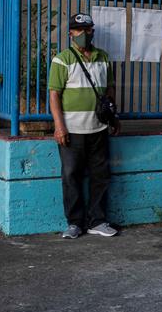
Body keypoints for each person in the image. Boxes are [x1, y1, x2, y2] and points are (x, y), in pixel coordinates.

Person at [48, 12, 120, 239]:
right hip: (72, 131)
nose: (85, 34)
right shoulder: (62, 59)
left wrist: (112, 117)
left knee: (101, 175)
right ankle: (74, 223)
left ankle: (97, 221)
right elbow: (54, 95)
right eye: (80, 30)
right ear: (71, 33)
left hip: (98, 129)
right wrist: (59, 127)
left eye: (88, 30)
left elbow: (110, 89)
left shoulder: (104, 58)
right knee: (71, 176)